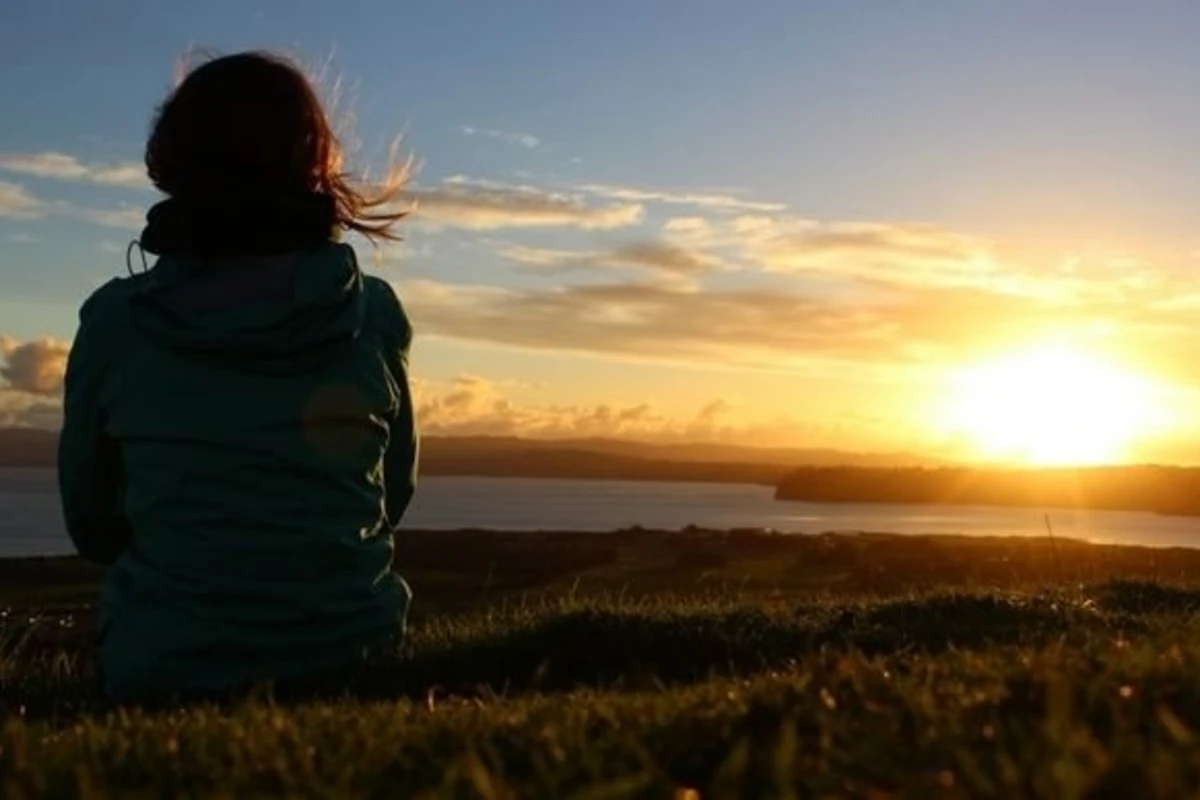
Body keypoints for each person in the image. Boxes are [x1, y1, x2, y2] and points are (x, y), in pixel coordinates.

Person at [56, 51, 419, 704]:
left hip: (165, 671)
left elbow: (93, 525)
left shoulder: (116, 323)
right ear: (314, 162)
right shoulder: (373, 313)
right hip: (357, 662)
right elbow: (389, 497)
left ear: (171, 162)